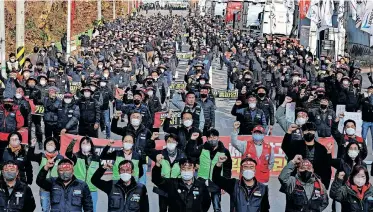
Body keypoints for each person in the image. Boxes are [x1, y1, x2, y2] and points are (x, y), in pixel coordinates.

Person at [281, 122, 332, 188]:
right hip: (296, 181)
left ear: (315, 132)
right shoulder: (296, 145)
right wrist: (289, 131)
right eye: (306, 130)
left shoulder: (321, 148)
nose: (309, 132)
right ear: (302, 133)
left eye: (311, 130)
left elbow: (326, 168)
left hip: (314, 182)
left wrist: (324, 185)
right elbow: (285, 147)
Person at [193, 129, 232, 212]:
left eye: (214, 137)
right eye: (210, 137)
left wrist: (225, 184)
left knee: (217, 207)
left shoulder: (224, 151)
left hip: (216, 181)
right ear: (207, 139)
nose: (212, 139)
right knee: (201, 206)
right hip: (202, 180)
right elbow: (192, 156)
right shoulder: (201, 148)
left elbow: (227, 168)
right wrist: (195, 163)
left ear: (218, 138)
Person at [111, 111, 153, 185]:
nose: (135, 118)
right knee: (126, 185)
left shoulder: (147, 132)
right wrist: (115, 119)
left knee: (141, 186)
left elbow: (151, 146)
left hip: (141, 163)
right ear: (130, 119)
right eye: (133, 117)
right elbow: (113, 129)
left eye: (137, 117)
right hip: (127, 163)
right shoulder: (126, 130)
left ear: (141, 119)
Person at [149, 133, 187, 212]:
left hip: (176, 189)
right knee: (162, 209)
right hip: (163, 187)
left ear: (177, 143)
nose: (171, 143)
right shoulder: (160, 154)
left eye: (173, 141)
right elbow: (147, 150)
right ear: (166, 142)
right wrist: (152, 139)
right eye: (169, 141)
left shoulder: (182, 155)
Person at [27, 137, 64, 212]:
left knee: (57, 209)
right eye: (48, 144)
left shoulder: (60, 158)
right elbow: (30, 157)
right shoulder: (41, 156)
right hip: (44, 187)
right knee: (45, 209)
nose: (50, 145)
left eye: (52, 144)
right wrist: (32, 146)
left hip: (57, 188)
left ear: (56, 146)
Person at [65, 137, 101, 212]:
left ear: (91, 145)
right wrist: (73, 142)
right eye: (83, 143)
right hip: (78, 188)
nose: (85, 145)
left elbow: (99, 173)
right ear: (80, 145)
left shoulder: (97, 158)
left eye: (87, 143)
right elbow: (68, 153)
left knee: (92, 209)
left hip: (92, 189)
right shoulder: (76, 156)